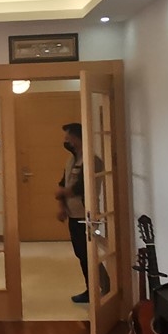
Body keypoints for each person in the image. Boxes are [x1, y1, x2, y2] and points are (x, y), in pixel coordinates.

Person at [55, 122, 109, 303]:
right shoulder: (71, 160)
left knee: (89, 254)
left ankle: (102, 287)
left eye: (68, 138)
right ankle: (93, 288)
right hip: (74, 215)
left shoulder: (92, 161)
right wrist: (62, 206)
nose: (66, 142)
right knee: (81, 254)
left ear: (77, 138)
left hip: (87, 216)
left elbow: (82, 187)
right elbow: (63, 184)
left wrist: (64, 192)